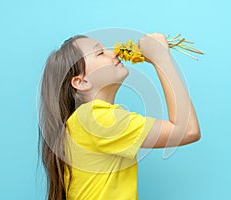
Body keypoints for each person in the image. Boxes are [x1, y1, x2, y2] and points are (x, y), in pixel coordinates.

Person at [38, 33, 201, 200]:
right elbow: (187, 130)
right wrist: (162, 60)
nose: (113, 52)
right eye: (100, 53)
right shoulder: (98, 119)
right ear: (81, 82)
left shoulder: (84, 120)